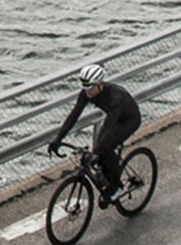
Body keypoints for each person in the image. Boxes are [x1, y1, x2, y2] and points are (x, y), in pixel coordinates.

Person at [50, 65, 141, 204]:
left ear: (100, 85)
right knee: (100, 150)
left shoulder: (115, 98)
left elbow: (111, 128)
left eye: (91, 87)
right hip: (113, 118)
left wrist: (97, 152)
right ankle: (107, 174)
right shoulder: (86, 92)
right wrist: (58, 138)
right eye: (85, 87)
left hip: (129, 120)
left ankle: (117, 186)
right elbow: (74, 116)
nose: (88, 91)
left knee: (105, 148)